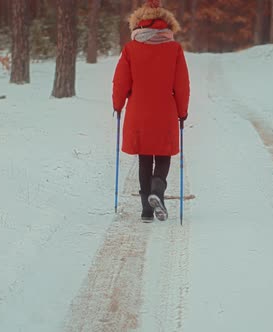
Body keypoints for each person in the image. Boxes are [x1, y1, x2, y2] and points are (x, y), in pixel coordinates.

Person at [112, 0, 190, 222]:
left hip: (139, 112)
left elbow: (120, 82)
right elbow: (182, 84)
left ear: (138, 23)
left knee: (145, 158)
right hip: (165, 111)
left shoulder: (130, 49)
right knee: (163, 155)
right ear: (167, 24)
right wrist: (182, 111)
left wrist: (118, 105)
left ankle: (147, 209)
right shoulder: (174, 49)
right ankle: (157, 188)